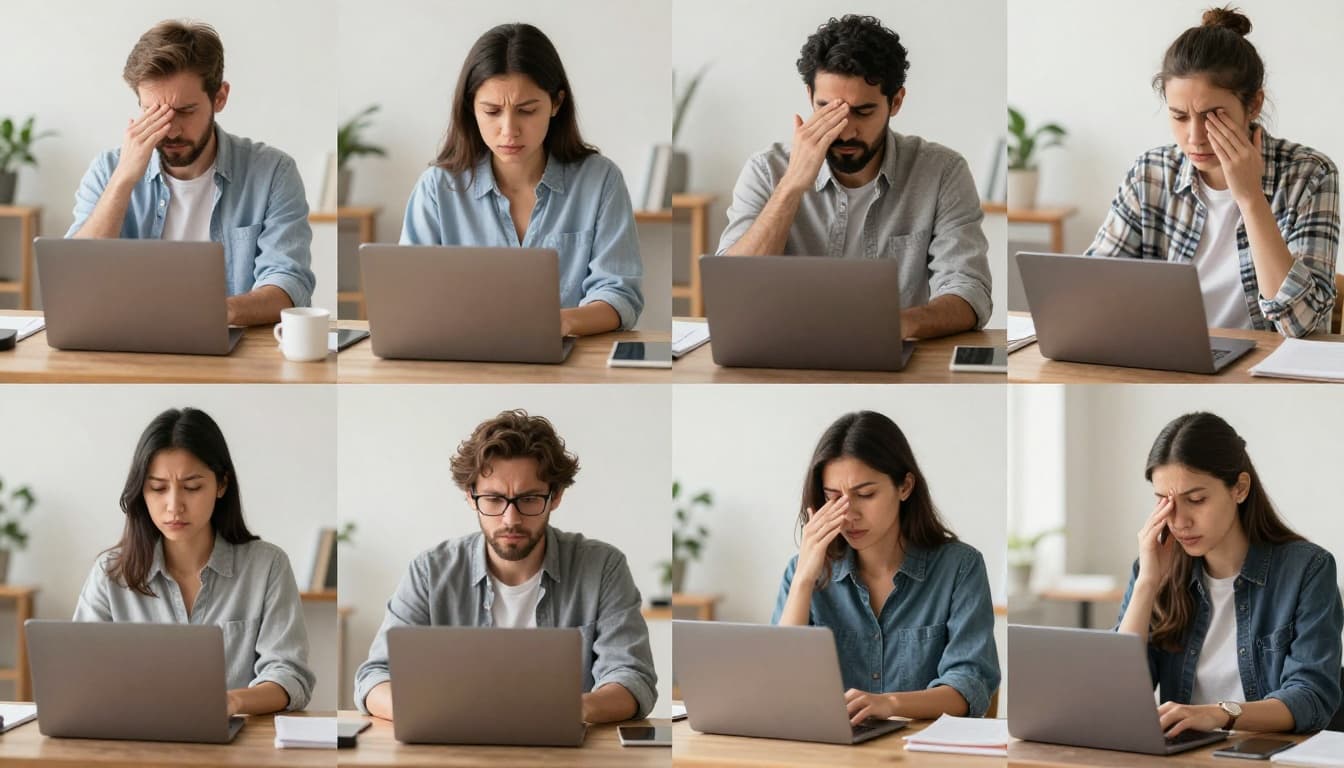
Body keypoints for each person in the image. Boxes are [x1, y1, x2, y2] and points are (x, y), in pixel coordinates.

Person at [355, 409, 657, 723]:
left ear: (555, 497)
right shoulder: (430, 572)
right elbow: (375, 676)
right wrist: (438, 714)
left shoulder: (603, 567)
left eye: (528, 499)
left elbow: (631, 677)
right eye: (494, 499)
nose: (510, 519)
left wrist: (571, 710)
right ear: (471, 497)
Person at [716, 15, 993, 340]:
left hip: (892, 356)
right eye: (828, 109)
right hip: (781, 356)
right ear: (809, 96)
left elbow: (969, 290)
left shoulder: (942, 172)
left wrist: (902, 323)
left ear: (897, 102)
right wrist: (791, 187)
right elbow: (730, 289)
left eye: (862, 112)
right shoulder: (766, 170)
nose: (845, 130)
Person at [1087, 7, 1338, 338]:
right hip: (1168, 360)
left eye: (1213, 115)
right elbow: (1091, 295)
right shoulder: (1150, 174)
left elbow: (1302, 326)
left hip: (1268, 372)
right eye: (1179, 116)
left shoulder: (1309, 175)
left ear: (1254, 105)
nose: (1195, 136)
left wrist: (1251, 199)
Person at [67, 20, 316, 327]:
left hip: (232, 355)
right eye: (153, 112)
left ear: (220, 98)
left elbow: (289, 284)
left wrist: (213, 312)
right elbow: (75, 280)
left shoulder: (273, 172)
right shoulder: (108, 170)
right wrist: (122, 181)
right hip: (125, 350)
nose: (169, 129)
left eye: (185, 111)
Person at [401, 23, 643, 336]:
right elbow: (410, 298)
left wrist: (559, 322)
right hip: (463, 363)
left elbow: (620, 294)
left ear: (556, 103)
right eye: (491, 111)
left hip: (571, 366)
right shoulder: (437, 188)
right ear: (471, 109)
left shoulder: (600, 181)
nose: (509, 129)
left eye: (527, 111)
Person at [74, 407, 315, 715]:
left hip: (239, 747)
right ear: (141, 491)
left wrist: (232, 701)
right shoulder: (110, 575)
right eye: (158, 488)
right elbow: (82, 677)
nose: (174, 506)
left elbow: (289, 676)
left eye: (192, 487)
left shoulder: (267, 567)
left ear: (222, 485)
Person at [1116, 411, 1343, 736]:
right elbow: (1118, 693)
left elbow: (1312, 697)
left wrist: (1220, 714)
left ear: (1239, 488)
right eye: (1164, 503)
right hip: (1184, 759)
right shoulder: (1153, 571)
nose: (1179, 521)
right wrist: (1147, 582)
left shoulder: (1307, 570)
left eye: (1196, 499)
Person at [773, 411, 1000, 723]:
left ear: (905, 486)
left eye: (865, 494)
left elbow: (968, 686)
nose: (848, 514)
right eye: (833, 498)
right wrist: (803, 580)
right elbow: (779, 687)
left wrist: (889, 703)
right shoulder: (803, 572)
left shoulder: (960, 567)